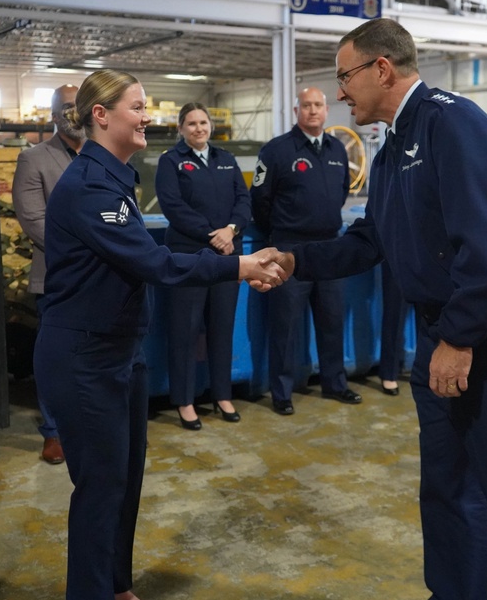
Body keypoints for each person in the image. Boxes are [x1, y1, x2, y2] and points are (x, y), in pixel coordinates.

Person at [270, 18, 487, 600]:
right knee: (447, 485)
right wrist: (296, 261)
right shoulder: (395, 143)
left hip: (486, 333)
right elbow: (372, 238)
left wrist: (460, 338)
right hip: (440, 330)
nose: (341, 92)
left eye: (345, 76)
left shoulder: (454, 126)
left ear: (382, 68)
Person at [33, 69, 288, 600]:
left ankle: (116, 586)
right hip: (85, 356)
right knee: (100, 489)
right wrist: (240, 267)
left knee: (124, 484)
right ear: (101, 115)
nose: (148, 116)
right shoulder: (87, 187)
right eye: (137, 106)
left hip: (122, 350)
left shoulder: (119, 178)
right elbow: (155, 263)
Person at [250, 86, 361, 416]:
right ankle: (282, 392)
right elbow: (260, 201)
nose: (313, 111)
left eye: (318, 105)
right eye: (306, 105)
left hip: (330, 248)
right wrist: (286, 231)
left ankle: (335, 382)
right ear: (296, 111)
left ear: (326, 111)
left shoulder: (338, 150)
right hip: (289, 250)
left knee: (332, 320)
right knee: (284, 324)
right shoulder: (276, 151)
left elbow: (342, 193)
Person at [155, 102, 251, 429]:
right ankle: (184, 401)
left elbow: (243, 200)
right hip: (189, 256)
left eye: (203, 122)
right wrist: (213, 235)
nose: (199, 128)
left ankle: (222, 395)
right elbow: (173, 207)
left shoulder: (226, 160)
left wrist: (232, 230)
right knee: (185, 328)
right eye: (191, 123)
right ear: (180, 129)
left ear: (211, 126)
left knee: (222, 326)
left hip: (227, 256)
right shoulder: (171, 162)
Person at [12, 83, 83, 465]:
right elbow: (34, 221)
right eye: (67, 107)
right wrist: (84, 251)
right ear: (54, 115)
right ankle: (54, 432)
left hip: (101, 277)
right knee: (56, 357)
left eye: (80, 106)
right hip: (57, 274)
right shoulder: (34, 159)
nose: (74, 113)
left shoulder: (106, 156)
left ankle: (94, 427)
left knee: (93, 356)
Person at [377, 260, 410, 396]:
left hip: (430, 249)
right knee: (394, 309)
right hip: (397, 247)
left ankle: (429, 370)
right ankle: (389, 372)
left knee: (430, 312)